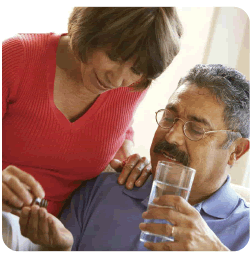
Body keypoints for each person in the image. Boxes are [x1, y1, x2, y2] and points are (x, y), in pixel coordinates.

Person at [8, 64, 250, 251]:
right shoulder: (101, 191)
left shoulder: (245, 230)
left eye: (196, 130)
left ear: (236, 151)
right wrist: (59, 249)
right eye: (168, 118)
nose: (172, 136)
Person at [2, 7, 183, 217]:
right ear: (90, 32)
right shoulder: (17, 56)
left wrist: (130, 159)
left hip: (65, 229)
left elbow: (119, 125)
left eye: (136, 70)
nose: (116, 81)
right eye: (114, 56)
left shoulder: (132, 87)